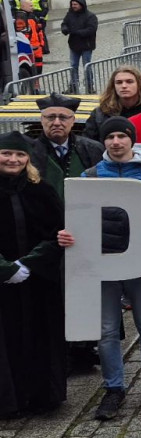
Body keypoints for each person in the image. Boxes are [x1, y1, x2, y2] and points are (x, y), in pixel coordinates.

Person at [58, 117, 141, 420]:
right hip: (104, 262)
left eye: (121, 136)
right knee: (108, 329)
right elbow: (78, 218)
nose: (115, 142)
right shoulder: (91, 174)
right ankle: (114, 388)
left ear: (131, 139)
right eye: (109, 136)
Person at [0, 131, 67, 419]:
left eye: (19, 155)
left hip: (37, 281)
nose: (13, 159)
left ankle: (42, 395)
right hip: (2, 284)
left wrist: (30, 264)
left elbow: (59, 232)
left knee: (41, 335)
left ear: (28, 159)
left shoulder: (42, 190)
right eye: (6, 154)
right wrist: (7, 268)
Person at [29, 93, 104, 200]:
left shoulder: (92, 149)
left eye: (63, 117)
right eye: (51, 117)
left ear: (73, 121)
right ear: (42, 120)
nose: (56, 123)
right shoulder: (28, 152)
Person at [60, 0, 98, 93]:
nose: (74, 6)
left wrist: (77, 32)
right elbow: (64, 23)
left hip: (86, 45)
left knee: (87, 66)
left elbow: (91, 29)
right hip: (74, 45)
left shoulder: (90, 16)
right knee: (73, 66)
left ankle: (90, 87)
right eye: (72, 4)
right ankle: (73, 86)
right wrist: (64, 28)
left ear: (81, 5)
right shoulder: (70, 14)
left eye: (75, 4)